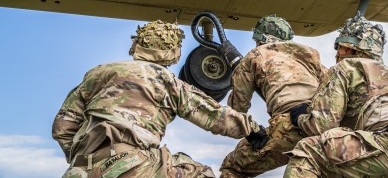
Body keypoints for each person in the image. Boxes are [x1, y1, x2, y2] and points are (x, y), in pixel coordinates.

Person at [52, 20, 268, 178]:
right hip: (131, 167)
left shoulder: (96, 74)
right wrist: (252, 129)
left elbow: (62, 127)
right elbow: (211, 114)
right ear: (172, 52)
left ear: (137, 45)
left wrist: (87, 159)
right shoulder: (164, 80)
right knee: (200, 173)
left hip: (79, 171)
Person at [284, 12, 388, 178]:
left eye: (338, 48)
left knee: (308, 151)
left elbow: (321, 126)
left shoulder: (346, 67)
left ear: (346, 47)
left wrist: (301, 117)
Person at [219, 14, 326, 178]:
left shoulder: (255, 56)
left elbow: (238, 109)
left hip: (291, 127)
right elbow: (333, 85)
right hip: (324, 124)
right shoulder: (310, 55)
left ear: (259, 39)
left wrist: (250, 131)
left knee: (233, 166)